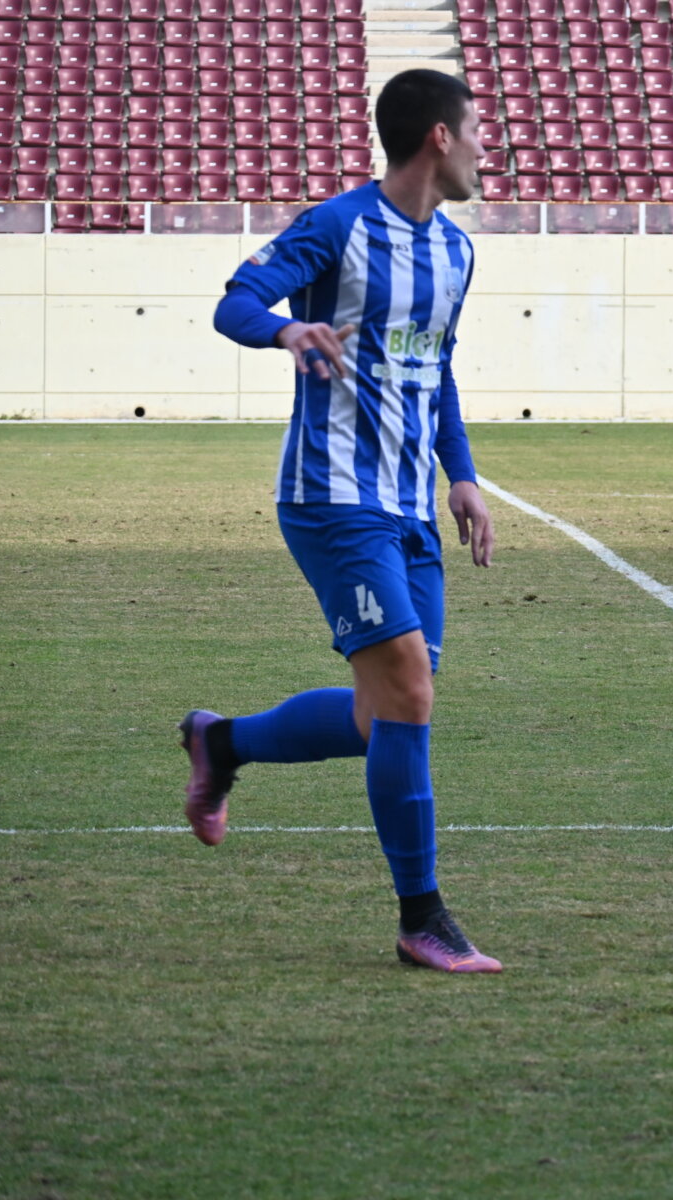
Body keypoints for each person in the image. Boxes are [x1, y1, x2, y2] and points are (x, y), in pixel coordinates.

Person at [189, 68, 501, 973]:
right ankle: (421, 918)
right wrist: (285, 330)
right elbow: (235, 302)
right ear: (438, 136)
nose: (485, 149)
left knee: (384, 716)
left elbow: (435, 369)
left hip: (410, 509)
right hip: (332, 497)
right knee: (408, 695)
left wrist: (462, 476)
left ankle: (221, 741)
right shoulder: (338, 226)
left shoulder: (456, 252)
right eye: (476, 131)